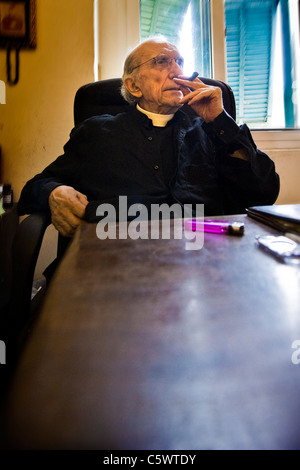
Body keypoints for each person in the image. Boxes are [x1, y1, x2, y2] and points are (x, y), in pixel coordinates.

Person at [18, 37, 279, 240]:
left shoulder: (210, 130)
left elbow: (264, 192)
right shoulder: (96, 134)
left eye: (180, 62)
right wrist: (53, 192)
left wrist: (221, 121)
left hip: (202, 260)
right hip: (115, 265)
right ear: (133, 86)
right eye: (162, 61)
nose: (178, 71)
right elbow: (34, 187)